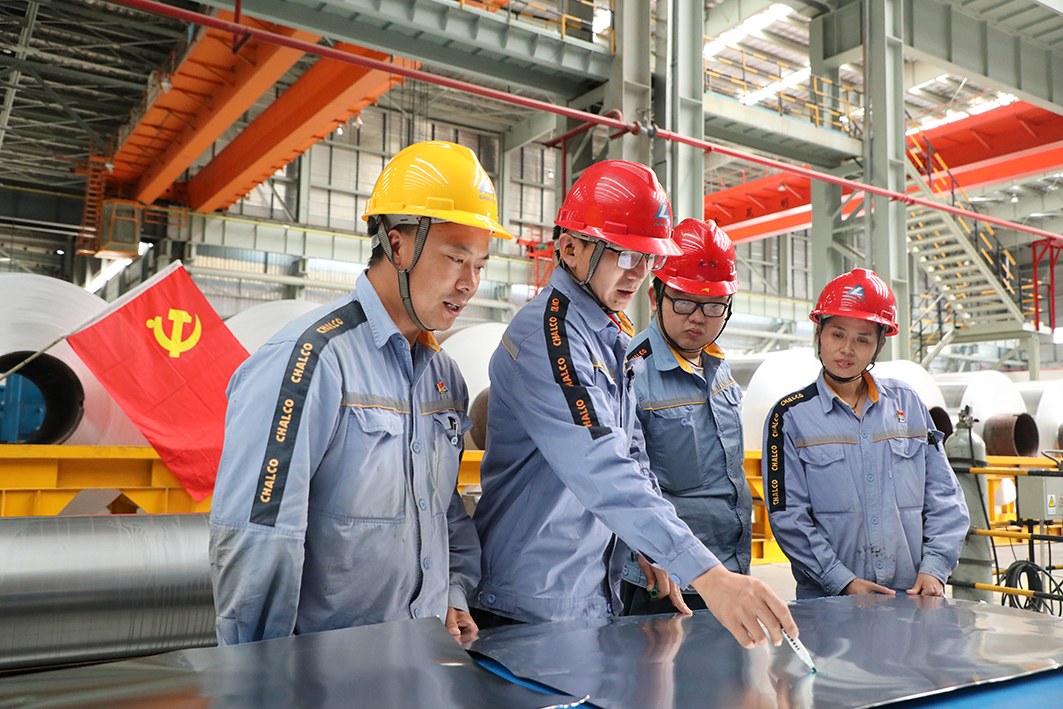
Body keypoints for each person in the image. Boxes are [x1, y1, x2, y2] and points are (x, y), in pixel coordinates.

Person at [473, 160, 797, 649]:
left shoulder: (609, 332)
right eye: (626, 256)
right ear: (571, 248)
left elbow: (633, 458)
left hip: (589, 592)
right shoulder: (549, 333)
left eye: (648, 259)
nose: (640, 275)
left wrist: (647, 543)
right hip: (531, 601)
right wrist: (707, 572)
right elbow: (599, 464)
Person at [209, 140, 511, 644]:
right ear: (398, 245)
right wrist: (256, 677)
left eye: (480, 265)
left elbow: (443, 509)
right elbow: (258, 537)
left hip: (423, 657)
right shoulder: (310, 362)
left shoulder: (444, 377)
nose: (469, 284)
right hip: (330, 668)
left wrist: (453, 591)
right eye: (456, 259)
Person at [762, 268, 970, 600]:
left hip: (912, 597)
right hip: (831, 602)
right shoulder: (790, 417)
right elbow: (788, 517)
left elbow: (945, 498)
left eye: (863, 339)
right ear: (819, 335)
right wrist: (840, 580)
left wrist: (935, 567)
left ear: (878, 346)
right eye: (837, 334)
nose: (847, 349)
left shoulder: (908, 404)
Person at [621, 218, 752, 616]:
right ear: (655, 295)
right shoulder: (631, 374)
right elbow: (618, 484)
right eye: (683, 300)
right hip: (663, 584)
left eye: (713, 305)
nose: (698, 317)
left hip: (729, 569)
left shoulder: (718, 366)